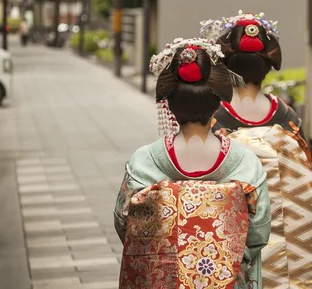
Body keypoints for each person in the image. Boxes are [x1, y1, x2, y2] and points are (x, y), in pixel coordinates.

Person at [114, 38, 271, 289]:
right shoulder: (246, 164)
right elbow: (257, 235)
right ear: (219, 101)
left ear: (169, 104)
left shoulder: (143, 162)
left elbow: (125, 226)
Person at [200, 12, 312, 288]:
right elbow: (306, 175)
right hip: (293, 236)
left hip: (234, 232)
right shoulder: (287, 117)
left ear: (225, 65)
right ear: (268, 66)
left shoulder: (213, 118)